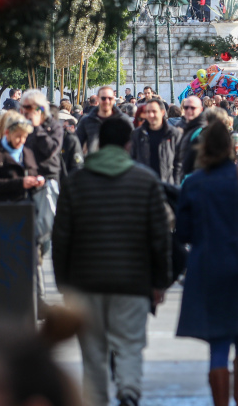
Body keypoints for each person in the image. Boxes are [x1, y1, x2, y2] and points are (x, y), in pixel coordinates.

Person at [51, 117, 171, 406]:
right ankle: (129, 391)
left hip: (85, 282)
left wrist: (63, 283)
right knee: (129, 345)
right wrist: (160, 281)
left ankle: (96, 400)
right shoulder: (145, 181)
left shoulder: (75, 181)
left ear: (98, 143)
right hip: (132, 282)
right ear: (129, 144)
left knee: (93, 353)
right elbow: (160, 237)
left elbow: (61, 237)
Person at [175, 118, 238, 406]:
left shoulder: (194, 183)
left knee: (218, 342)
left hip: (206, 266)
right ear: (232, 148)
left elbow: (182, 231)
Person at [18, 90, 64, 309]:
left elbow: (50, 151)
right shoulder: (17, 125)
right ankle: (37, 297)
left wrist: (35, 127)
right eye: (23, 108)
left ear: (39, 109)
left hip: (47, 186)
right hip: (23, 186)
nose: (24, 112)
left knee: (44, 238)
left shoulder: (52, 126)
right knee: (32, 243)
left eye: (29, 108)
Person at [0, 112, 42, 203]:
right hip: (2, 207)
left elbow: (34, 173)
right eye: (18, 137)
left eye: (24, 137)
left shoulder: (28, 152)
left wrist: (37, 181)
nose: (21, 141)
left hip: (25, 205)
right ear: (8, 133)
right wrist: (21, 183)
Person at [129, 99, 184, 186]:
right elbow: (132, 160)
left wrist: (175, 185)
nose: (151, 115)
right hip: (143, 186)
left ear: (162, 113)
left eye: (154, 111)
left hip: (167, 186)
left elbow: (179, 162)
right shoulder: (137, 134)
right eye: (148, 112)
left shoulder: (173, 134)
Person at [75, 86, 133, 154]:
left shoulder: (124, 120)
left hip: (118, 162)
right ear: (98, 99)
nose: (107, 101)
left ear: (114, 100)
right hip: (93, 162)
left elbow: (133, 145)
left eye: (110, 98)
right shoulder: (86, 121)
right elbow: (77, 146)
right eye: (103, 98)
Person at [58, 111, 84, 176]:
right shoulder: (65, 138)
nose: (63, 129)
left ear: (72, 127)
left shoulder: (74, 139)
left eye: (65, 127)